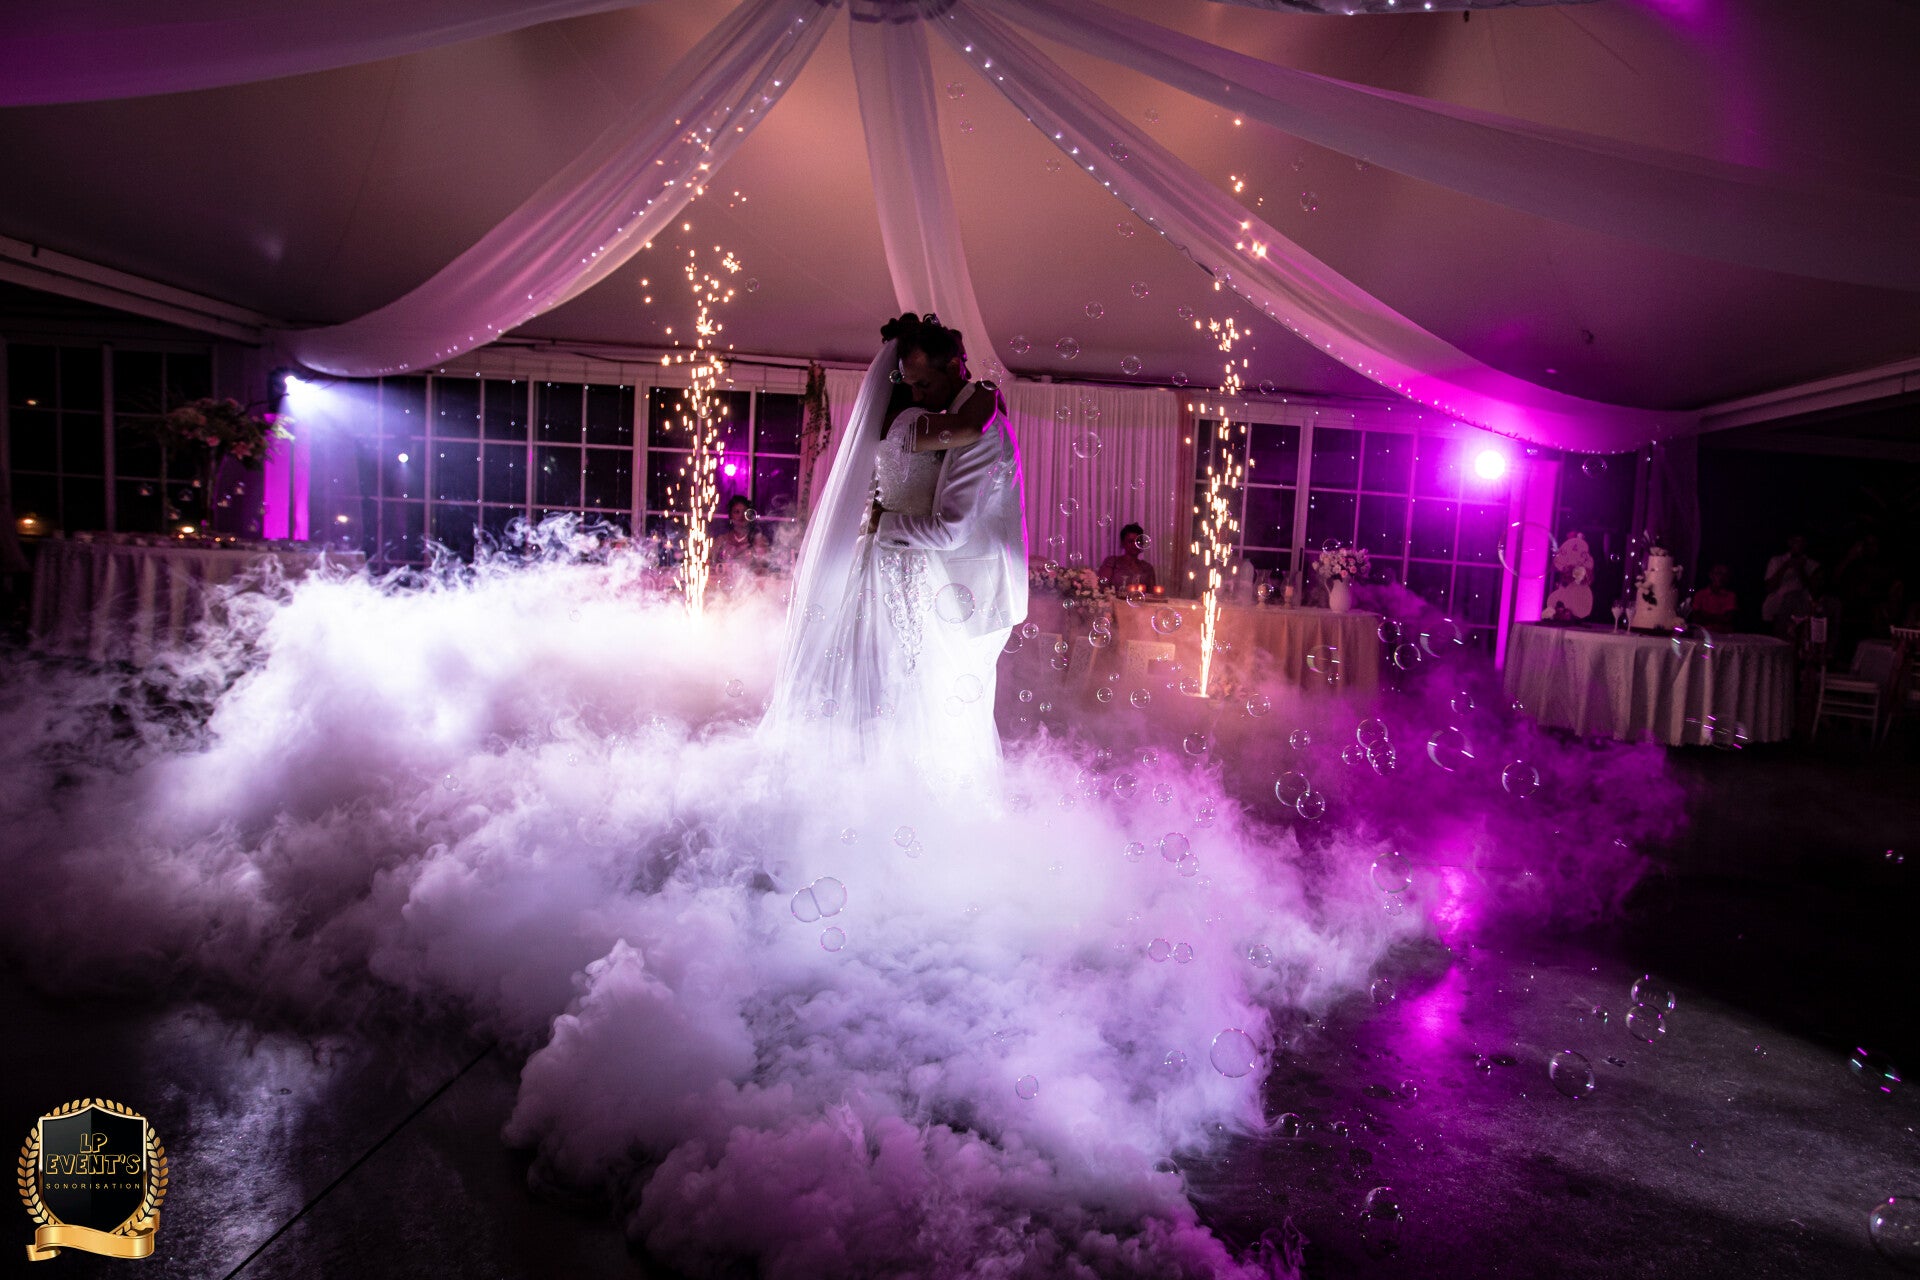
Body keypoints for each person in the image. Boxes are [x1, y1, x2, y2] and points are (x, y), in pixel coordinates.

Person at [762, 313, 1027, 782]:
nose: (918, 393)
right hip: (918, 566)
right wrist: (985, 395)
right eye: (911, 384)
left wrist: (882, 523)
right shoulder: (928, 424)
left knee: (919, 683)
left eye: (924, 383)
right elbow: (964, 432)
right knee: (916, 686)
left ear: (953, 367)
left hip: (953, 575)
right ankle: (898, 780)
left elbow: (953, 516)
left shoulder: (940, 423)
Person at [1761, 533, 1817, 632]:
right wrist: (1785, 566)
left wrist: (1801, 570)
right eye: (1796, 541)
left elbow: (1814, 590)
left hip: (1801, 613)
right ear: (1789, 542)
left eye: (1801, 541)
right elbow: (1769, 588)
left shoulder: (1812, 564)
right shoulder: (1776, 561)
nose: (1799, 544)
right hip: (1776, 610)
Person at [1098, 524, 1157, 595]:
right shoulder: (1112, 562)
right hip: (1115, 601)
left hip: (1140, 602)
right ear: (1123, 543)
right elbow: (1102, 587)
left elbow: (1152, 594)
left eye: (1138, 541)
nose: (1134, 545)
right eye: (1130, 541)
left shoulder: (1147, 567)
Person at [1690, 563, 1738, 628]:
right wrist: (1718, 617)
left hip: (1723, 633)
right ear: (1711, 575)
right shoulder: (1700, 594)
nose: (1721, 577)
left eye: (1725, 574)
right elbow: (1695, 618)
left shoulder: (1730, 596)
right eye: (1718, 573)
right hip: (1703, 632)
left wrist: (1705, 615)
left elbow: (1728, 618)